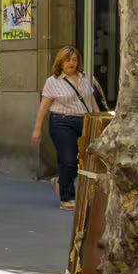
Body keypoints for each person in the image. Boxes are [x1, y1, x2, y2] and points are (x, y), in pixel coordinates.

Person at [33, 47, 104, 211]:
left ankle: (61, 182)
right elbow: (44, 106)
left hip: (85, 121)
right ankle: (67, 197)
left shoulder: (84, 78)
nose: (71, 63)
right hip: (61, 122)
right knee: (68, 159)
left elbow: (91, 100)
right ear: (60, 62)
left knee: (85, 160)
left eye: (74, 59)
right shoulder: (53, 81)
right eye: (67, 60)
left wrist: (99, 119)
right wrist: (37, 129)